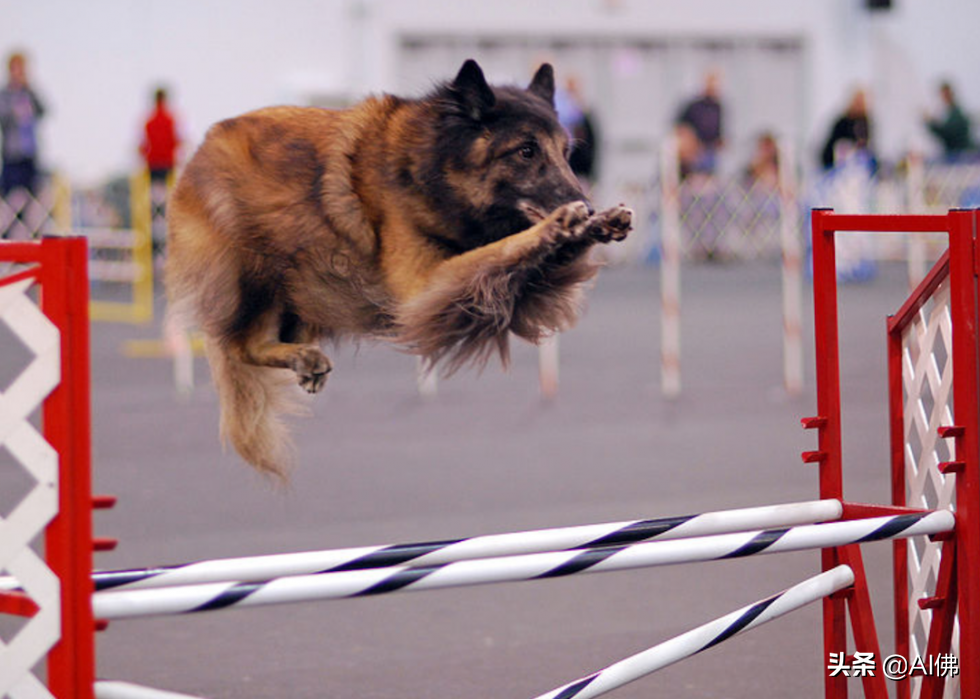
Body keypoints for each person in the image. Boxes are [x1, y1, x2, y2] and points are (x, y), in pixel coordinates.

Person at [0, 52, 45, 197]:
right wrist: (14, 113)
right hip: (12, 153)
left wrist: (30, 89)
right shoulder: (4, 94)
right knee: (11, 194)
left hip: (30, 152)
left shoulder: (29, 93)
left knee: (33, 193)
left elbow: (43, 110)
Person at [675, 71, 724, 176]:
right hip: (695, 151)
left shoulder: (718, 107)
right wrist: (691, 143)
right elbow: (680, 126)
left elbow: (719, 131)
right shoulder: (694, 106)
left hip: (711, 150)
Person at [556, 75, 598, 190]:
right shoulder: (564, 110)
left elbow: (592, 143)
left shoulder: (583, 112)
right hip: (569, 164)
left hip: (581, 167)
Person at [820, 89, 874, 171]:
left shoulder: (866, 123)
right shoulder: (842, 123)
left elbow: (866, 147)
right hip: (838, 164)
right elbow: (831, 149)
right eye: (857, 102)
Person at [924, 81, 975, 161]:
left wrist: (930, 123)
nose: (943, 97)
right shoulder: (950, 112)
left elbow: (947, 133)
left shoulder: (956, 113)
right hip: (955, 153)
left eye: (945, 94)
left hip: (961, 154)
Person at [139, 86, 181, 184]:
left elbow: (143, 145)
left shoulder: (149, 121)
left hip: (152, 162)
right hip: (168, 162)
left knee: (154, 192)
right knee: (169, 192)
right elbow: (177, 141)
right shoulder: (171, 120)